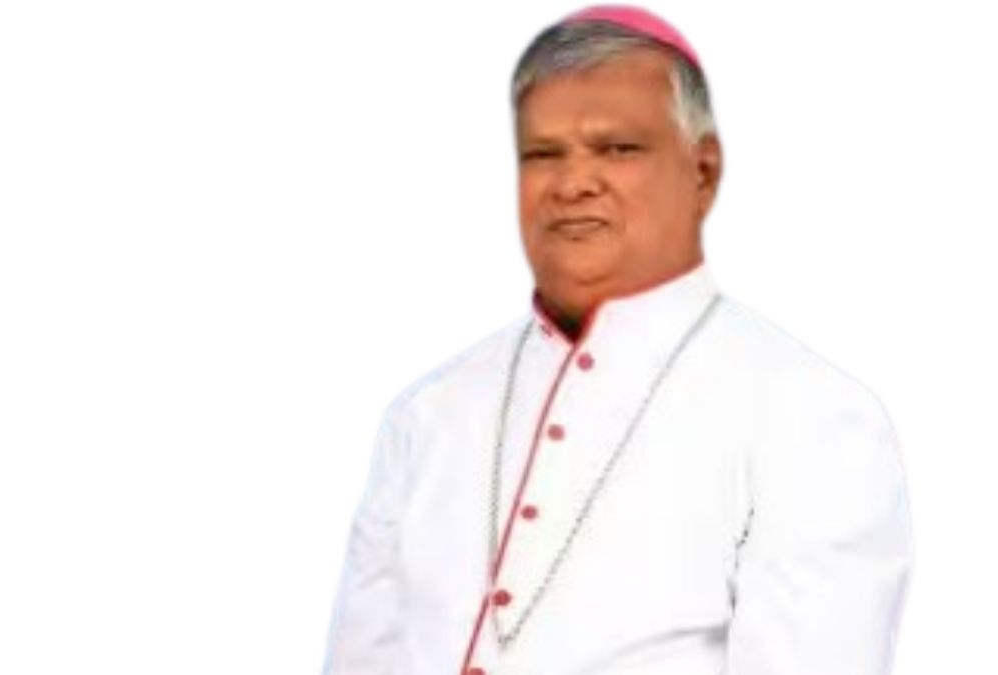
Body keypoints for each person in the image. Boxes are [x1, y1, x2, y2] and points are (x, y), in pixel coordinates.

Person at [320, 6, 914, 675]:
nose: (572, 183)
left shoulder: (815, 416)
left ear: (702, 171)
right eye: (542, 154)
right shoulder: (426, 415)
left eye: (617, 148)